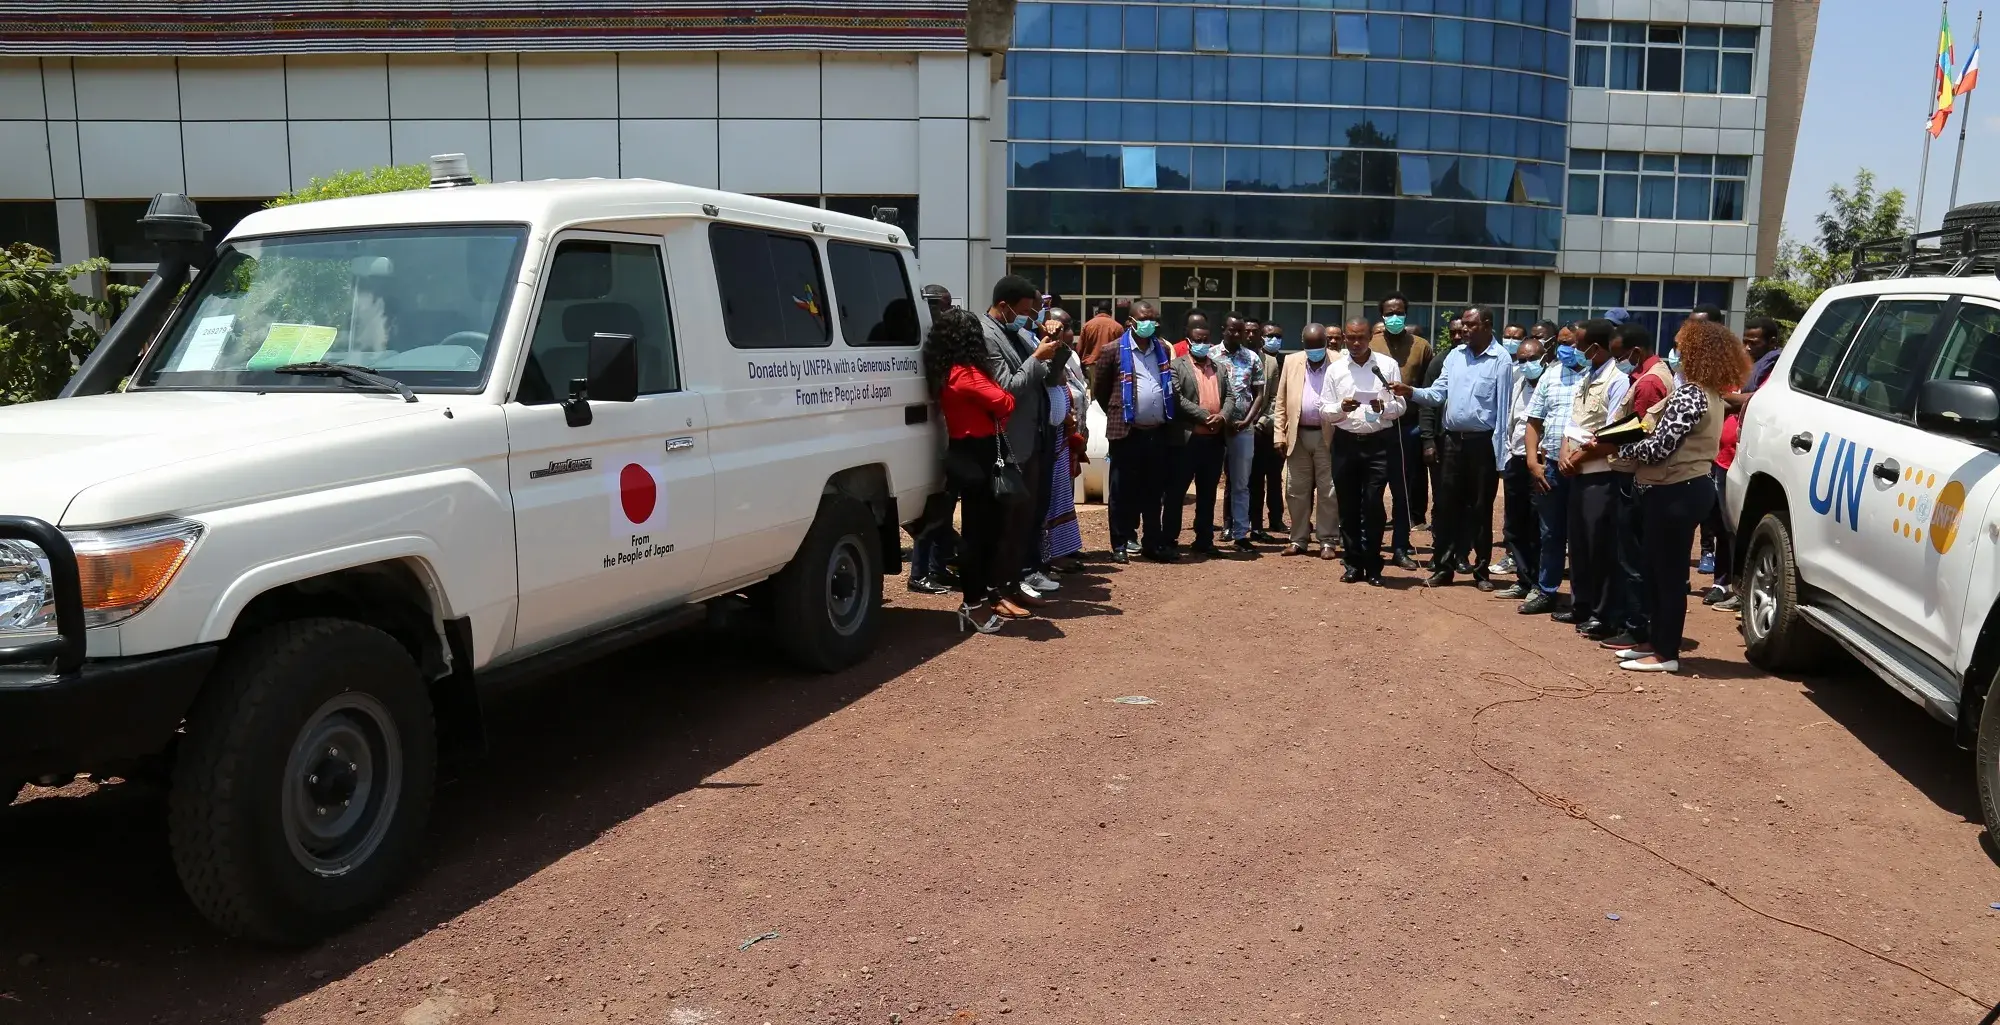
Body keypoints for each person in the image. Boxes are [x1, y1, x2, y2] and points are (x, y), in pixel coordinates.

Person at [1567, 318, 1749, 673]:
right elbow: (1652, 432)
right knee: (1654, 571)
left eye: (1681, 347)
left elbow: (1659, 447)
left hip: (1676, 492)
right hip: (1676, 490)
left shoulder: (1692, 394)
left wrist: (1614, 450)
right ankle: (1653, 640)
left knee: (1666, 576)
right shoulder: (1705, 391)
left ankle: (1665, 653)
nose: (1675, 353)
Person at [1391, 306, 1513, 589]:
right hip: (1452, 442)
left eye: (1471, 324)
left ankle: (1482, 571)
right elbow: (1437, 393)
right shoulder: (1455, 357)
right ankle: (1443, 567)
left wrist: (1500, 457)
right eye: (1464, 324)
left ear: (1486, 325)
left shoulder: (1501, 359)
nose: (1465, 329)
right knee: (1446, 507)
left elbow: (1504, 410)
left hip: (1483, 445)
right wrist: (1411, 392)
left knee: (1480, 508)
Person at [930, 308, 1031, 632]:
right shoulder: (965, 373)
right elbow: (1005, 402)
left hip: (970, 451)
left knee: (985, 532)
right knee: (979, 536)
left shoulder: (949, 370)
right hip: (977, 454)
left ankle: (982, 597)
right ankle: (972, 604)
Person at [980, 276, 1064, 605]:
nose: (1029, 317)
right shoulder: (988, 337)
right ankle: (998, 589)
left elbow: (1050, 375)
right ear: (1004, 306)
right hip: (1008, 444)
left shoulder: (1019, 333)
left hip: (1032, 440)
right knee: (1006, 524)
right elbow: (1006, 387)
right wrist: (1038, 356)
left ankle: (1013, 584)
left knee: (1023, 523)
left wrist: (1054, 345)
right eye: (1025, 311)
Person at [1592, 322, 1672, 651]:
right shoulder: (1650, 375)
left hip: (1633, 477)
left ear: (1635, 352)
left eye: (1619, 356)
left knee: (1632, 556)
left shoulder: (1649, 383)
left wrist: (1604, 441)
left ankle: (1637, 625)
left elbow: (1640, 432)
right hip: (1637, 476)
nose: (1617, 363)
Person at [1554, 320, 1631, 638]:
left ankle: (1603, 613)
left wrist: (1576, 458)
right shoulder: (1587, 376)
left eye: (1579, 345)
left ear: (1595, 348)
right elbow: (1573, 424)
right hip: (1576, 471)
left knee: (1600, 546)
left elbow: (1612, 435)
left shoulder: (1618, 381)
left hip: (1601, 474)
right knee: (1580, 544)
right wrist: (1563, 452)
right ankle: (1581, 605)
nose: (1574, 351)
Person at [1092, 299, 1179, 563]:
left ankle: (1152, 542)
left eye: (1154, 320)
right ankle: (1119, 542)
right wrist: (1121, 413)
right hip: (1126, 433)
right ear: (1130, 322)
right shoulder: (1112, 350)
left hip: (1156, 432)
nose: (1150, 324)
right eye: (1145, 319)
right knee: (1121, 491)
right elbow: (1101, 391)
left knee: (1153, 491)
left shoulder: (1162, 348)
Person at [1327, 318, 1406, 584]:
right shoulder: (1336, 369)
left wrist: (1382, 408)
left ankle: (1373, 564)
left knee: (1373, 504)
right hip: (1346, 442)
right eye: (1351, 338)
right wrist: (1341, 408)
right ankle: (1353, 563)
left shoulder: (1386, 366)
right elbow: (1324, 409)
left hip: (1378, 444)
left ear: (1371, 336)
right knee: (1348, 505)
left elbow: (1401, 406)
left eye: (1361, 337)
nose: (1356, 343)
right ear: (1344, 337)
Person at [1519, 333, 1590, 616]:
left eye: (1573, 344)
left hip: (1585, 467)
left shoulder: (1594, 376)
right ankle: (1546, 590)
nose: (1567, 349)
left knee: (1582, 535)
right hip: (1549, 467)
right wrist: (1532, 461)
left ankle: (1582, 599)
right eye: (1562, 343)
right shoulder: (1550, 376)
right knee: (1550, 533)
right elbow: (1533, 421)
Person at [1370, 291, 1432, 568]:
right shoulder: (1370, 345)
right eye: (1389, 313)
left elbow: (1430, 391)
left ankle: (1401, 545)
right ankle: (1370, 544)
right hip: (1376, 427)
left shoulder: (1421, 346)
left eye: (1399, 312)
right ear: (1381, 316)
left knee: (1403, 490)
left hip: (1408, 428)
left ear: (1406, 314)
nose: (1394, 317)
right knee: (1372, 488)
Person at [1270, 323, 1339, 559]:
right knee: (1295, 489)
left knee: (1329, 490)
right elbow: (1281, 402)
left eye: (1318, 346)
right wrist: (1279, 435)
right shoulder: (1292, 362)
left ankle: (1328, 540)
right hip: (1297, 436)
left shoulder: (1339, 362)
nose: (1314, 352)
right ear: (1303, 345)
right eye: (1309, 347)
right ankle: (1298, 539)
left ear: (1326, 344)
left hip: (1327, 436)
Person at [1495, 335, 1545, 600]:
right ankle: (1524, 580)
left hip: (1538, 462)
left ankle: (1540, 583)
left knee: (1538, 525)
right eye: (1522, 360)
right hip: (1515, 458)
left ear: (1544, 359)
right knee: (1515, 524)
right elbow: (1510, 421)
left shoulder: (1550, 385)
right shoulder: (1518, 384)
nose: (1526, 364)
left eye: (1531, 359)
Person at [1167, 334, 1227, 555]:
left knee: (1208, 492)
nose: (1203, 344)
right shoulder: (1176, 366)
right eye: (1198, 339)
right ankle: (1170, 539)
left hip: (1214, 440)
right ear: (1189, 341)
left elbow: (1229, 396)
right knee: (1176, 491)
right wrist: (1203, 415)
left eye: (1206, 339)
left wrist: (1222, 416)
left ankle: (1204, 539)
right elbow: (1176, 397)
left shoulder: (1219, 368)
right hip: (1187, 440)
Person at [1039, 308, 1087, 575]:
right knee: (1052, 501)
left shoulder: (1073, 356)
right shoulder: (1046, 353)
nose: (1066, 331)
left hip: (1066, 439)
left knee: (1063, 498)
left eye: (1067, 326)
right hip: (1052, 440)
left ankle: (1064, 549)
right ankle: (1050, 556)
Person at [1215, 313, 1269, 552]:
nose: (1237, 334)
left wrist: (1248, 420)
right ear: (1223, 330)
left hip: (1242, 428)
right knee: (1208, 482)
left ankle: (1240, 533)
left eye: (1240, 331)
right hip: (1214, 428)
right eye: (1232, 330)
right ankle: (1205, 533)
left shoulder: (1252, 357)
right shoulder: (1210, 355)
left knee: (1241, 483)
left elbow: (1259, 394)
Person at [1250, 321, 1289, 539]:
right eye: (1269, 335)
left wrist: (1266, 421)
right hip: (1250, 430)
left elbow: (1279, 397)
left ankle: (1276, 518)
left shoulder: (1282, 362)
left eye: (1277, 336)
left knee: (1275, 477)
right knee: (1254, 479)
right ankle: (1254, 523)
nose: (1273, 340)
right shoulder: (1251, 358)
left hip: (1273, 428)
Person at [1078, 301, 1124, 371]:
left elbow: (1080, 348)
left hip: (1091, 365)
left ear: (1097, 311)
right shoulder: (1118, 327)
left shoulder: (1087, 325)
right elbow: (1122, 348)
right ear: (1110, 312)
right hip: (1110, 367)